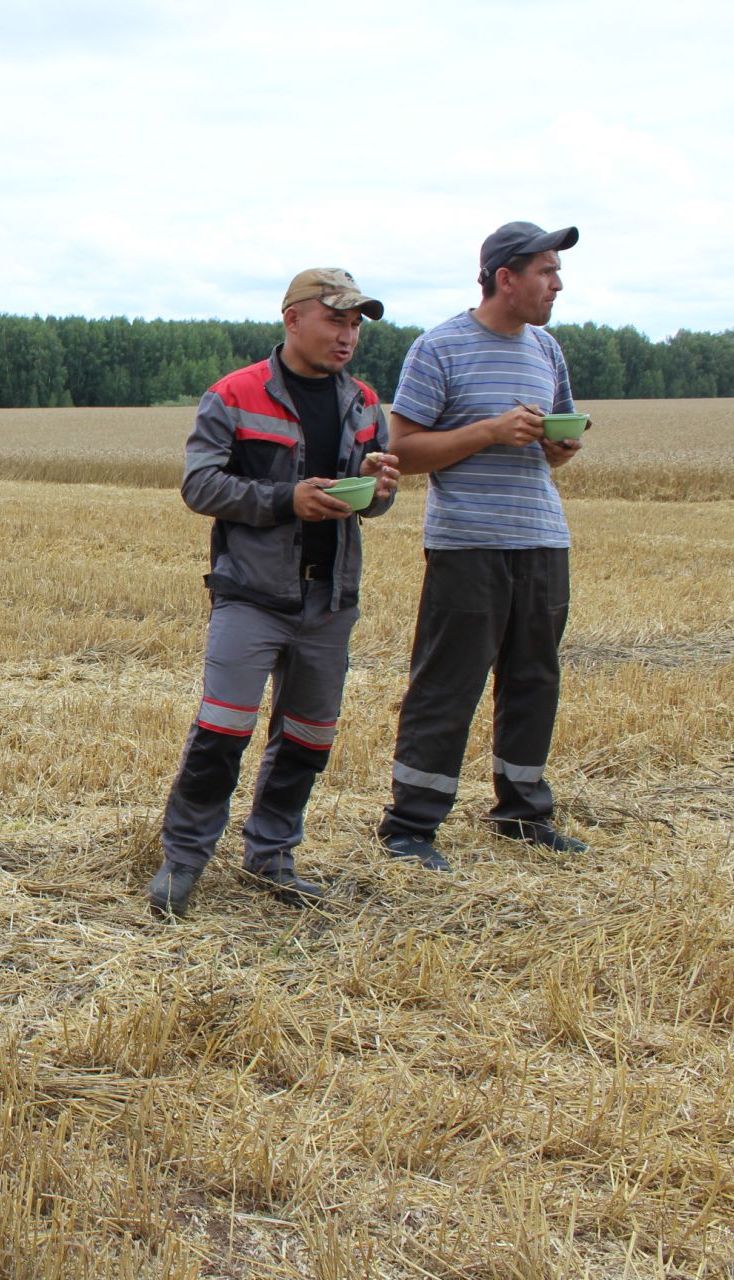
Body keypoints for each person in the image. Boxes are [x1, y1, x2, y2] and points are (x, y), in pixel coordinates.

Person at [147, 269, 401, 919]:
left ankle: (272, 856)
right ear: (293, 320)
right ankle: (183, 860)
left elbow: (373, 501)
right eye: (335, 320)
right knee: (221, 732)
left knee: (309, 739)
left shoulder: (365, 403)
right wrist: (287, 499)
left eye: (356, 324)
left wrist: (380, 485)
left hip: (331, 600)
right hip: (251, 595)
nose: (348, 336)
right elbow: (200, 487)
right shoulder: (233, 396)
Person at [375, 223, 589, 871]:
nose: (557, 283)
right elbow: (404, 452)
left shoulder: (547, 351)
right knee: (446, 684)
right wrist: (490, 431)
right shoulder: (439, 348)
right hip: (467, 546)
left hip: (543, 539)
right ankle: (409, 826)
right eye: (547, 270)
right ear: (505, 277)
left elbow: (554, 451)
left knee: (534, 679)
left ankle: (523, 813)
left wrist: (558, 448)